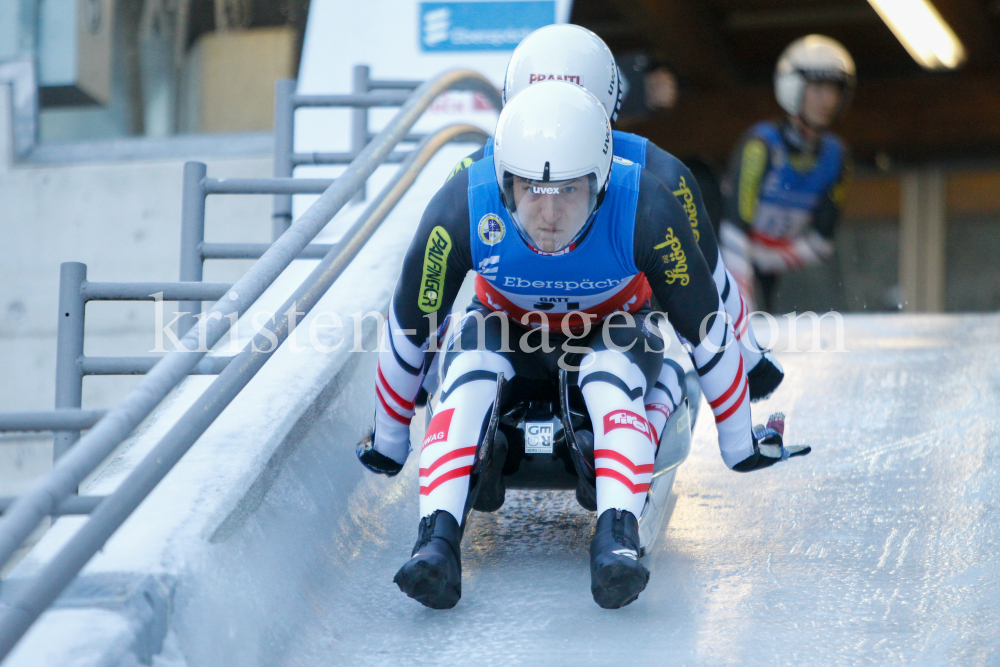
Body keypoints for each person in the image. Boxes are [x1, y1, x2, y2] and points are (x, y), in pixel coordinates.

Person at [358, 81, 809, 611]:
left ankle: (616, 535)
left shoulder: (647, 206)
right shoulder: (462, 206)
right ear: (503, 183)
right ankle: (435, 540)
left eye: (569, 191)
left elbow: (704, 328)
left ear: (600, 180)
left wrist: (736, 440)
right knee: (468, 369)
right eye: (531, 191)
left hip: (614, 328)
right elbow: (413, 321)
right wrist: (389, 434)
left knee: (608, 377)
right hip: (503, 326)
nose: (549, 215)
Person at [466, 23, 783, 401]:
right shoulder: (476, 174)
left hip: (615, 318)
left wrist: (745, 354)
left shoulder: (662, 174)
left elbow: (707, 276)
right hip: (515, 321)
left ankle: (661, 393)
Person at [718, 35, 855, 313]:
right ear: (793, 87)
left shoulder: (836, 156)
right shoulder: (761, 145)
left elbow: (821, 243)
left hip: (771, 271)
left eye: (834, 89)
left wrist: (765, 260)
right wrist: (745, 298)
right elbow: (733, 230)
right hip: (725, 263)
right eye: (817, 88)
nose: (827, 99)